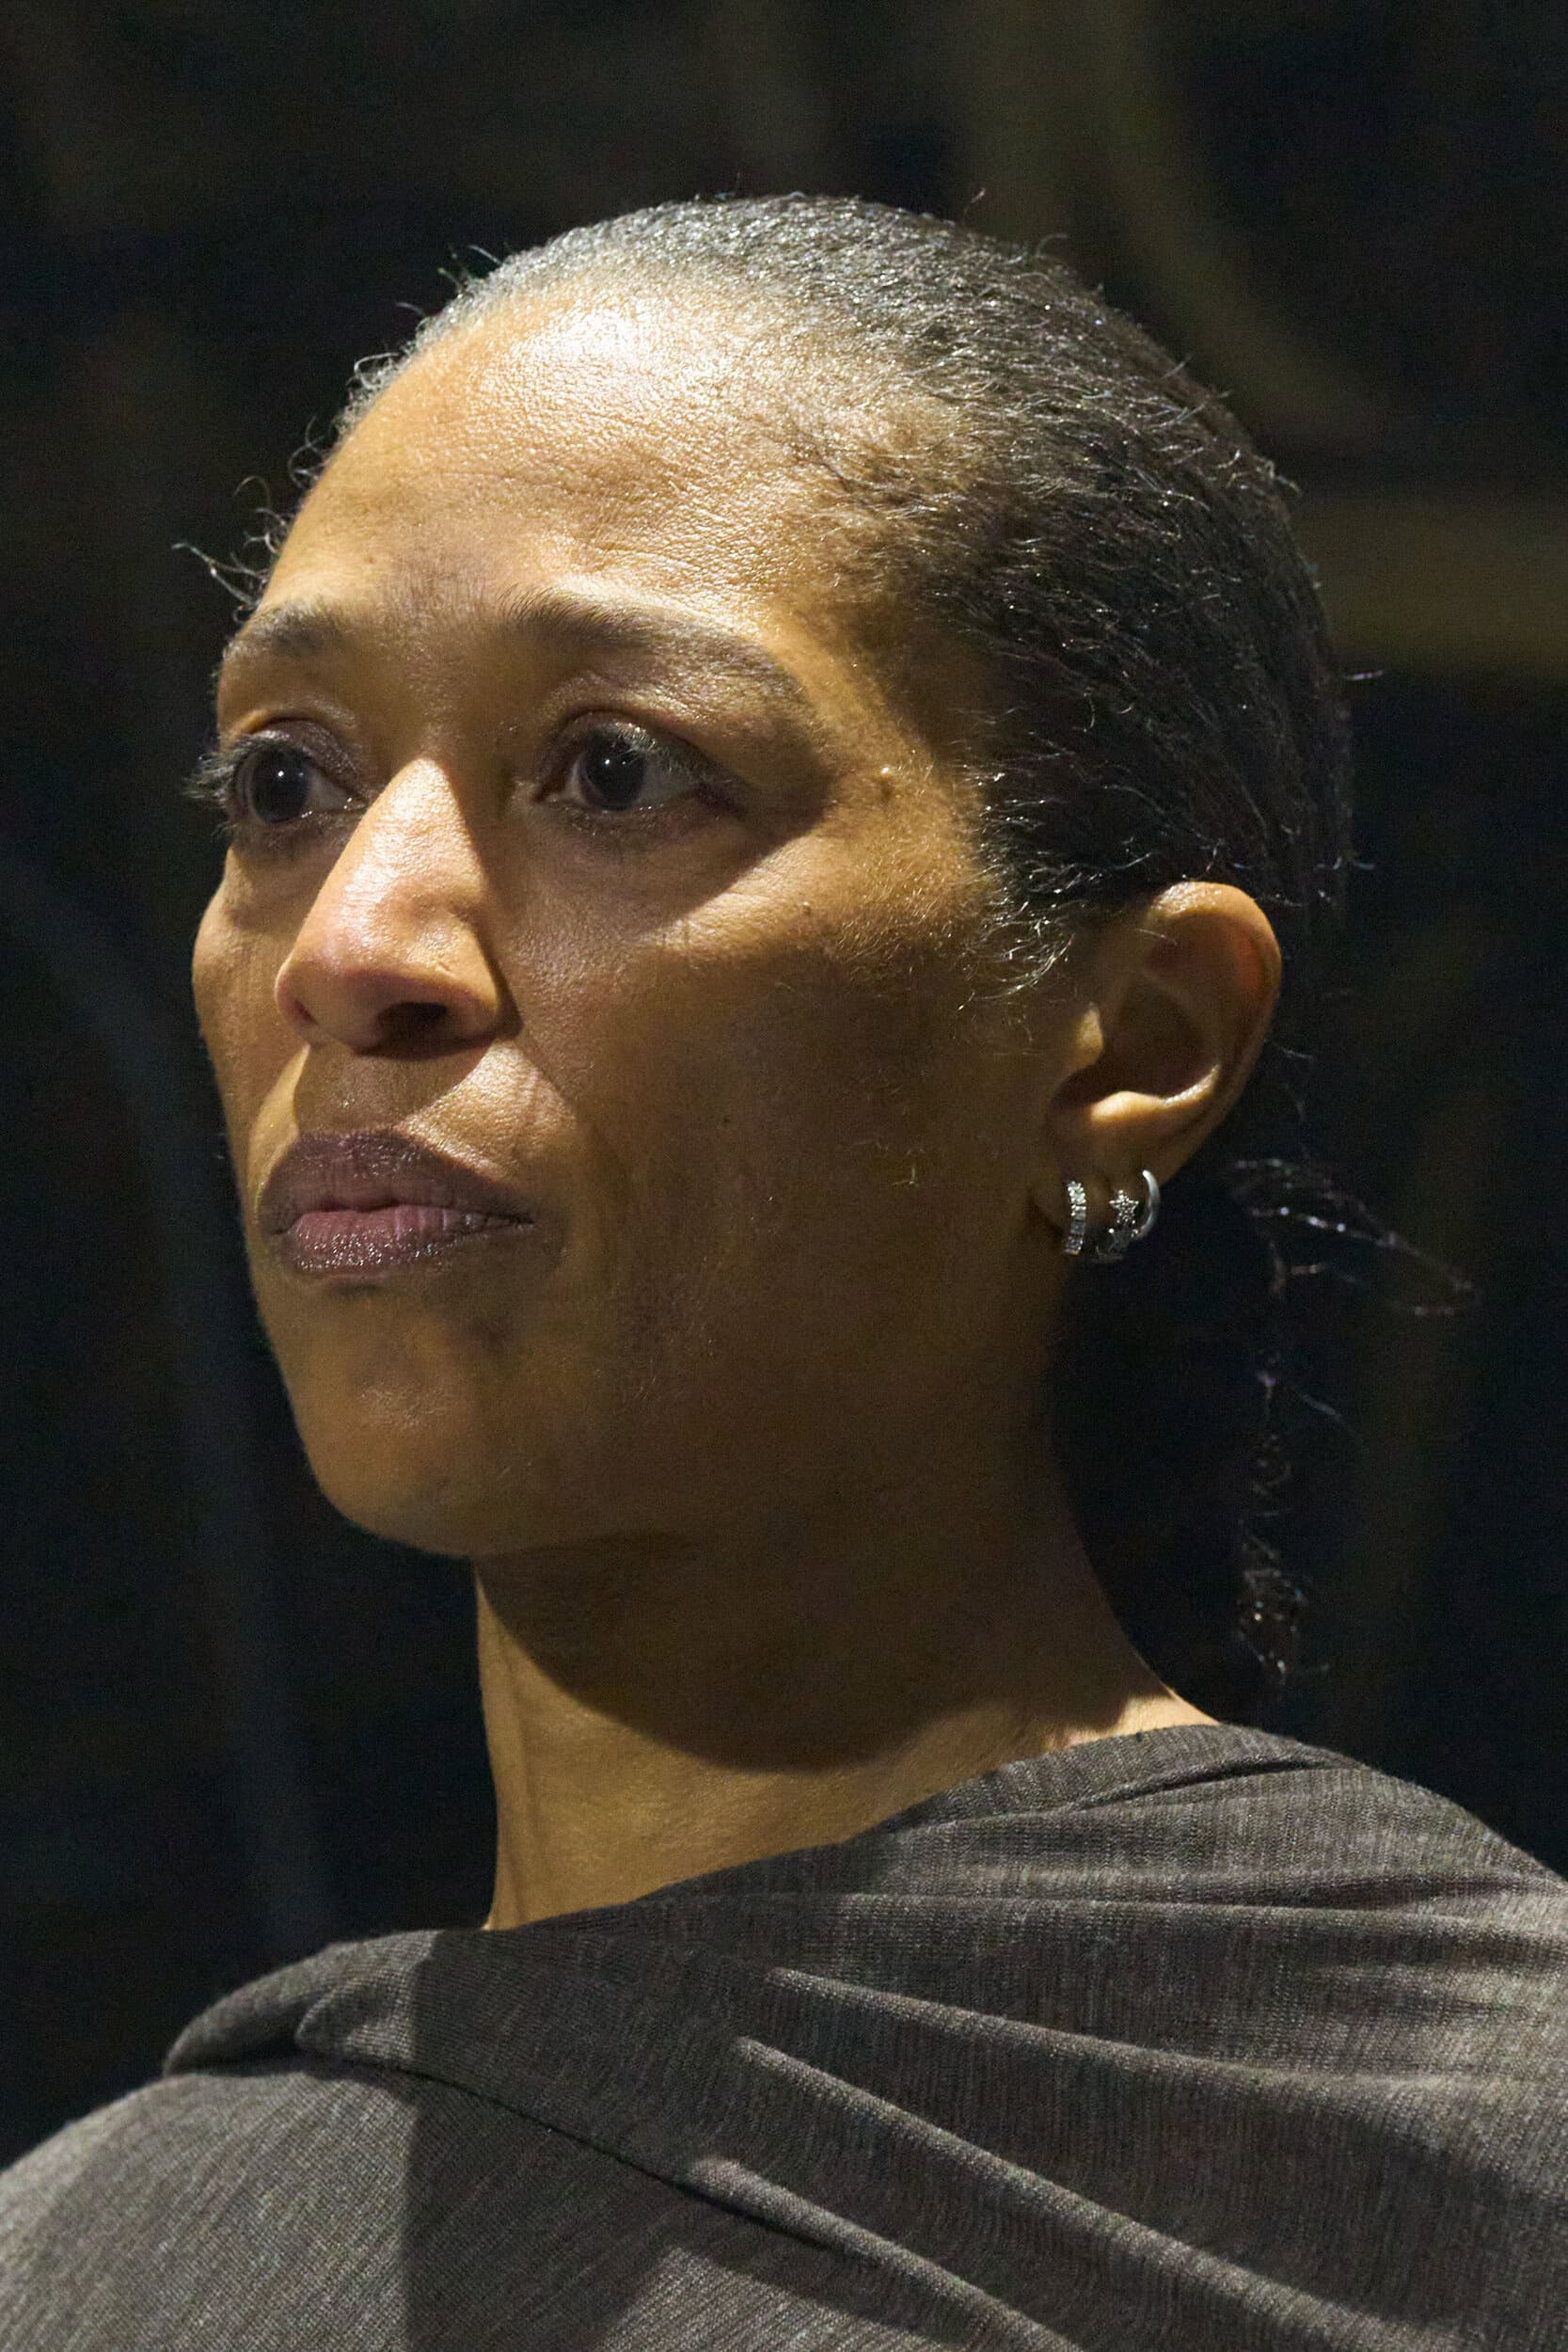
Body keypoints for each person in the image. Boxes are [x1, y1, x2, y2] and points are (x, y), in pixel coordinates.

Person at [2, 194, 1563, 2349]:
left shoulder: (1489, 2173)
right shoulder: (102, 2269)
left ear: (1130, 1039)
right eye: (285, 783)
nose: (355, 945)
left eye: (614, 771)